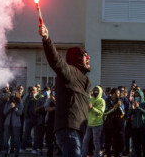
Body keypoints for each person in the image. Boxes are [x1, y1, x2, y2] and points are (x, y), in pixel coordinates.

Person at [39, 24, 91, 157]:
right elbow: (56, 60)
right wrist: (46, 38)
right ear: (78, 58)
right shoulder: (70, 72)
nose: (89, 58)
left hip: (78, 131)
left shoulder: (85, 80)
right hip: (69, 131)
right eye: (85, 55)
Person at [82, 86, 105, 157]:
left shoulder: (102, 101)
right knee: (85, 141)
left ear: (100, 92)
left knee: (96, 142)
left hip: (97, 124)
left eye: (97, 91)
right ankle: (83, 155)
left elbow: (101, 112)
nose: (95, 92)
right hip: (89, 123)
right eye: (94, 90)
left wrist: (92, 108)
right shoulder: (91, 99)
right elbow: (87, 110)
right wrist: (88, 108)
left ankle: (97, 155)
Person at [128, 89, 145, 157]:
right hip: (135, 128)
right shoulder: (133, 104)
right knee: (136, 146)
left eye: (138, 96)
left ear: (141, 96)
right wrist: (132, 108)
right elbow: (128, 114)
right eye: (135, 96)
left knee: (144, 146)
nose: (136, 97)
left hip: (143, 127)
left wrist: (138, 107)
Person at [3, 92, 23, 157]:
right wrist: (10, 107)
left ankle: (16, 153)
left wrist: (15, 108)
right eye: (11, 96)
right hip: (7, 124)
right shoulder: (8, 103)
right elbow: (4, 112)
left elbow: (20, 113)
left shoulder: (20, 103)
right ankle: (7, 152)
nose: (12, 98)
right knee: (6, 139)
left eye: (14, 96)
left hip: (16, 124)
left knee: (16, 139)